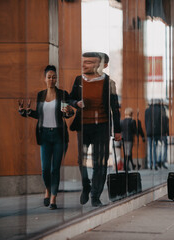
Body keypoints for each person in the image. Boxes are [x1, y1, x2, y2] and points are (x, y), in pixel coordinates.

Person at [18, 65, 74, 210]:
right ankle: (48, 190)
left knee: (55, 168)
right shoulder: (40, 95)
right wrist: (27, 112)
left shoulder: (63, 94)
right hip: (44, 136)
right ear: (45, 79)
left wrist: (69, 112)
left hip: (58, 136)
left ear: (56, 79)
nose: (51, 79)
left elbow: (67, 114)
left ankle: (53, 198)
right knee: (45, 169)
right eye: (49, 77)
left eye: (54, 77)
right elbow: (40, 115)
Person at [69, 52, 121, 207]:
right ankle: (86, 185)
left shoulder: (109, 83)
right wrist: (76, 103)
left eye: (89, 62)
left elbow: (115, 108)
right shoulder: (79, 80)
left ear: (99, 65)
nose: (84, 65)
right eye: (83, 61)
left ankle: (95, 196)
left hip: (102, 127)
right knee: (81, 160)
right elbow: (69, 99)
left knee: (100, 162)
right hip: (83, 127)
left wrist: (117, 130)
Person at [145, 99, 169, 170]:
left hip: (149, 132)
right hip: (158, 132)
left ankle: (151, 164)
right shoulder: (161, 109)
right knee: (161, 146)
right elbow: (164, 121)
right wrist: (166, 131)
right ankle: (159, 161)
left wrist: (147, 130)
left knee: (151, 148)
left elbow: (146, 122)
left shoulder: (147, 110)